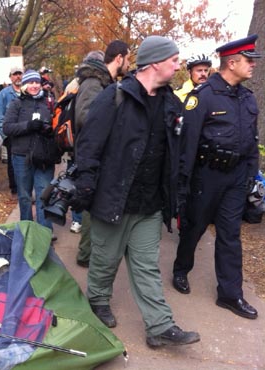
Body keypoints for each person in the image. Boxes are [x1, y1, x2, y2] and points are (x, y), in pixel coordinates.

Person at [71, 36, 200, 348]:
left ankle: (159, 325)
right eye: (173, 59)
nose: (177, 64)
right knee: (105, 259)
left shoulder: (171, 103)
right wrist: (85, 187)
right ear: (155, 62)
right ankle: (98, 301)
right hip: (113, 198)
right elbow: (88, 146)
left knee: (146, 266)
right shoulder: (114, 97)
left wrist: (176, 195)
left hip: (149, 204)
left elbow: (174, 153)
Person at [172, 35, 261, 320]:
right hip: (206, 176)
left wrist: (249, 175)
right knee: (194, 227)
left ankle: (230, 294)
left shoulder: (247, 98)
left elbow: (251, 140)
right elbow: (187, 145)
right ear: (232, 63)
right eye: (249, 61)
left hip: (236, 178)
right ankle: (181, 269)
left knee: (230, 234)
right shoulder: (204, 96)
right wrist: (183, 185)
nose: (253, 66)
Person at [73, 41, 131, 267]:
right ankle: (86, 254)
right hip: (91, 154)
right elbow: (85, 117)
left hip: (101, 153)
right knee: (89, 205)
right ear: (119, 58)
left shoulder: (105, 82)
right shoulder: (94, 82)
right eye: (128, 58)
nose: (129, 63)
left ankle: (91, 252)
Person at [3, 69, 55, 231]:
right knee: (25, 196)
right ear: (24, 85)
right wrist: (28, 126)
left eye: (37, 82)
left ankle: (44, 232)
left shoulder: (48, 101)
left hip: (44, 156)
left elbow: (56, 122)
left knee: (43, 194)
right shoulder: (17, 103)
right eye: (30, 82)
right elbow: (7, 127)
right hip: (21, 156)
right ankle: (27, 229)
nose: (34, 86)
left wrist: (48, 129)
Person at [0, 66, 23, 195]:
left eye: (20, 74)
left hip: (25, 133)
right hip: (11, 135)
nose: (18, 77)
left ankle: (25, 186)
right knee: (12, 162)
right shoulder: (4, 94)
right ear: (10, 77)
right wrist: (5, 135)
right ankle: (14, 188)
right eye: (15, 74)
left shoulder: (27, 91)